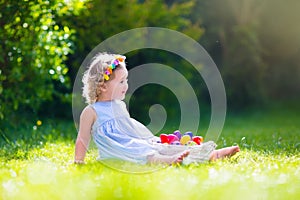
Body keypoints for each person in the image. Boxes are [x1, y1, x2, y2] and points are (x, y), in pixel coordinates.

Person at [74, 53, 240, 165]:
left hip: (132, 141)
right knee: (144, 150)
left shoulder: (119, 105)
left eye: (126, 80)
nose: (126, 85)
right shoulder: (91, 111)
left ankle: (210, 154)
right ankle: (168, 160)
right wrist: (79, 161)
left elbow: (127, 129)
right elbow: (82, 138)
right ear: (102, 86)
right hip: (117, 150)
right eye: (121, 82)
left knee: (157, 144)